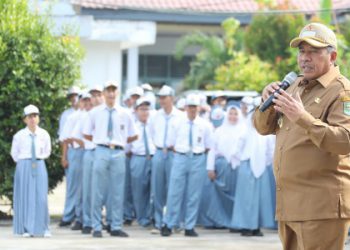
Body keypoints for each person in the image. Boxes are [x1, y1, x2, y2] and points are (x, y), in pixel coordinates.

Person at [254, 23, 350, 249]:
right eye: (301, 51)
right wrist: (266, 103)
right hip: (289, 205)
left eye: (314, 52)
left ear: (332, 56)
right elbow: (262, 128)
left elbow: (345, 141)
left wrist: (302, 117)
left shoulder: (343, 92)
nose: (305, 58)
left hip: (320, 208)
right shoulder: (294, 85)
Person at [83, 80, 137, 238]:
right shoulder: (95, 112)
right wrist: (101, 139)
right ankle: (97, 226)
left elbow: (133, 134)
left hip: (118, 152)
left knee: (118, 191)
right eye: (108, 90)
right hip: (101, 149)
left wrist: (119, 141)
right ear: (104, 93)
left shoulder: (125, 112)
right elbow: (86, 133)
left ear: (117, 93)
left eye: (114, 90)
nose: (111, 93)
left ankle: (115, 226)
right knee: (97, 190)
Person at [161, 94, 213, 237]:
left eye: (195, 106)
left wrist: (197, 155)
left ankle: (189, 226)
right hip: (181, 157)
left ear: (198, 108)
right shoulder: (176, 122)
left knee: (194, 194)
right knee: (174, 192)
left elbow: (208, 145)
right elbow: (171, 142)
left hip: (197, 158)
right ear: (185, 107)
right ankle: (169, 223)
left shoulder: (205, 125)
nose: (192, 109)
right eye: (190, 106)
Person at [231, 104, 276, 236]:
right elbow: (236, 151)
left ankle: (256, 227)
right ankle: (245, 226)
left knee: (260, 199)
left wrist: (265, 163)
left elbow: (270, 152)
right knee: (246, 199)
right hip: (247, 167)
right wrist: (244, 161)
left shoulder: (265, 134)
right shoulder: (244, 132)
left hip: (261, 169)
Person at [198, 105, 244, 229]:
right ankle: (220, 221)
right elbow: (212, 151)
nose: (233, 116)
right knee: (218, 197)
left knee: (236, 196)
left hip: (237, 168)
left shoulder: (243, 131)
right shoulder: (219, 131)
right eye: (230, 113)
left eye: (235, 114)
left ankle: (235, 223)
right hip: (221, 169)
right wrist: (210, 168)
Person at [11, 105, 51, 237]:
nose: (33, 119)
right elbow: (14, 154)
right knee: (25, 196)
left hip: (39, 164)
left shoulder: (44, 134)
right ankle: (26, 228)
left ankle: (43, 228)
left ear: (38, 118)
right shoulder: (19, 135)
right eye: (30, 116)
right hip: (24, 165)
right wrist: (25, 163)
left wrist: (37, 160)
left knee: (41, 197)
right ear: (25, 119)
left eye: (35, 116)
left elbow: (47, 151)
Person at [149, 85, 184, 233]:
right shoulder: (155, 115)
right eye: (160, 97)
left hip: (173, 153)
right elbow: (152, 133)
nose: (162, 100)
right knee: (157, 189)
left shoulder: (180, 116)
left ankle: (172, 221)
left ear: (172, 98)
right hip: (158, 152)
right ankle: (158, 221)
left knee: (174, 189)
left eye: (164, 97)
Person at [129, 98, 155, 227]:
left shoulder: (154, 124)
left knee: (155, 189)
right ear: (135, 111)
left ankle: (154, 216)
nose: (145, 112)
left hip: (154, 157)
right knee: (139, 190)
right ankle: (142, 218)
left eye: (147, 109)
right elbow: (127, 145)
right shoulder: (132, 126)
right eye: (142, 109)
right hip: (138, 158)